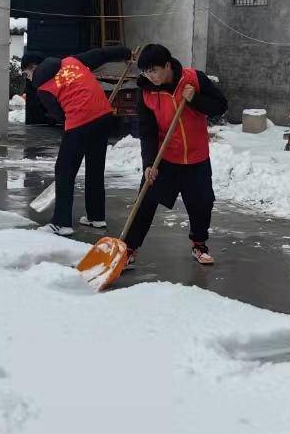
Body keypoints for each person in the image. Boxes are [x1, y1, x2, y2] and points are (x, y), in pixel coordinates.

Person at [124, 44, 228, 269]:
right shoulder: (146, 93)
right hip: (165, 159)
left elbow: (221, 106)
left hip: (196, 157)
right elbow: (147, 132)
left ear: (167, 65)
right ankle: (129, 248)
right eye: (145, 72)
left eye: (154, 70)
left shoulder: (194, 79)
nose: (150, 76)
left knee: (202, 203)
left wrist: (195, 99)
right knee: (145, 201)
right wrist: (149, 164)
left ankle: (199, 245)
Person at [20, 44, 131, 235]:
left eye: (26, 73)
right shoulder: (72, 61)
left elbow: (58, 115)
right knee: (95, 168)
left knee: (64, 170)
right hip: (103, 116)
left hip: (80, 121)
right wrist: (125, 53)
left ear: (33, 67)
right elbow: (100, 54)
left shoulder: (43, 88)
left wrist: (74, 123)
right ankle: (96, 217)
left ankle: (61, 223)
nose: (28, 78)